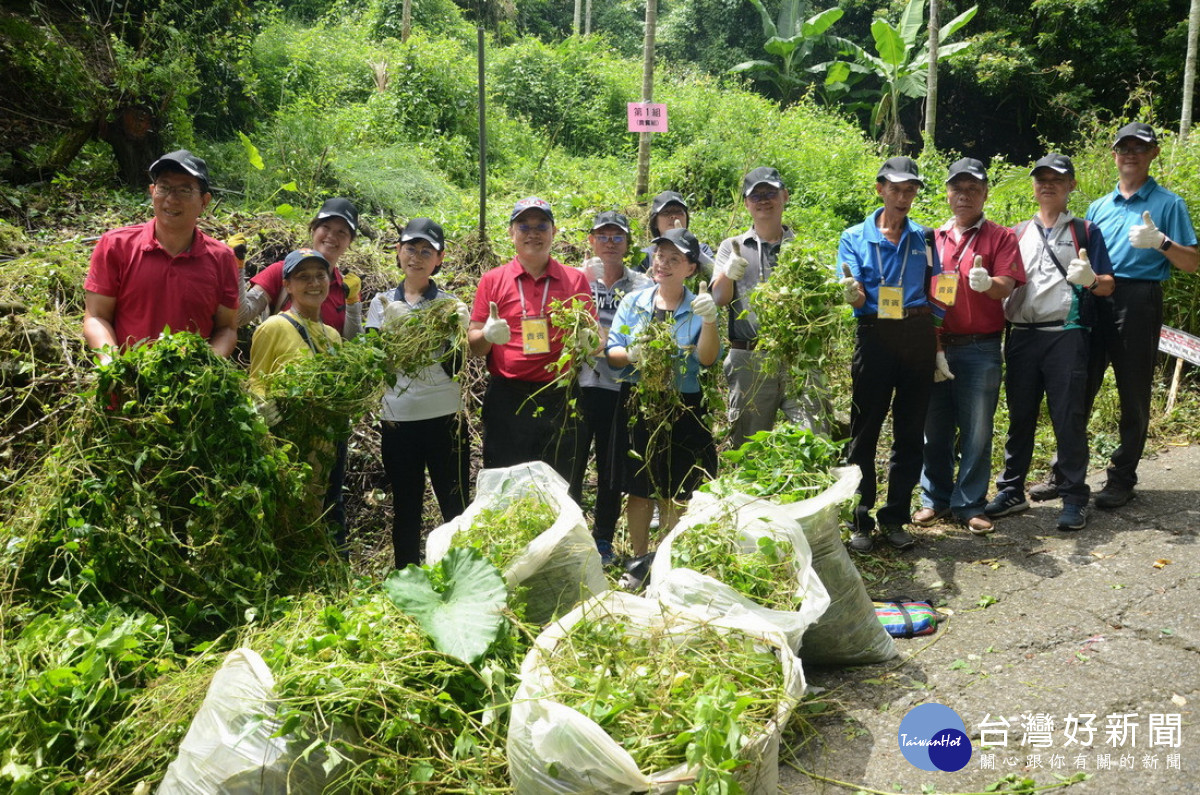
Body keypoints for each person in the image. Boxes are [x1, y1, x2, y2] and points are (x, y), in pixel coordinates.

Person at [1050, 122, 1198, 509]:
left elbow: (1193, 263)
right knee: (1080, 386)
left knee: (1133, 391)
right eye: (1123, 147)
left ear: (1153, 154)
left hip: (1138, 299)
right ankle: (1066, 471)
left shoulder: (1169, 204)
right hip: (1096, 295)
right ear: (1114, 154)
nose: (1130, 153)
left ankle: (1122, 477)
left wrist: (1162, 242)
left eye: (1139, 147)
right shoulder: (1098, 206)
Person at [987, 154, 1115, 531]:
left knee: (1068, 417)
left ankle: (1075, 495)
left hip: (1066, 336)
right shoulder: (1015, 233)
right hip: (1022, 336)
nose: (1047, 185)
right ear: (1033, 186)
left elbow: (1108, 285)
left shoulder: (1085, 230)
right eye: (1041, 179)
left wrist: (1091, 278)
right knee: (1019, 416)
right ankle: (1011, 490)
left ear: (1071, 185)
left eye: (1056, 179)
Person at [838, 156, 943, 552]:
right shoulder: (854, 235)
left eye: (910, 189)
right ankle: (861, 518)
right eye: (896, 189)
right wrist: (853, 295)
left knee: (911, 432)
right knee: (864, 432)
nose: (903, 197)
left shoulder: (924, 238)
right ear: (880, 188)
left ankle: (895, 516)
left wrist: (937, 343)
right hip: (875, 333)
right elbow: (852, 286)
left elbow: (939, 289)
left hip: (916, 332)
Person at [915, 158, 1023, 536]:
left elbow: (1007, 285)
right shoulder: (929, 238)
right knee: (935, 427)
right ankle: (935, 499)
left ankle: (970, 503)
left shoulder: (1001, 236)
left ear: (985, 194)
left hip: (981, 347)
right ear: (947, 193)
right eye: (957, 188)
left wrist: (987, 283)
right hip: (936, 344)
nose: (964, 196)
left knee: (977, 428)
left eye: (973, 189)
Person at [605, 228, 720, 557]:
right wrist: (632, 354)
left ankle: (668, 560)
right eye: (659, 256)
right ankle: (640, 559)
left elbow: (707, 359)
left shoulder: (699, 306)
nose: (663, 264)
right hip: (638, 402)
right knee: (639, 489)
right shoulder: (634, 301)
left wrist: (709, 321)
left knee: (677, 488)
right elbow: (612, 354)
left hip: (684, 405)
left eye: (675, 259)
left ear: (691, 268)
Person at [365, 219, 471, 569]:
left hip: (445, 420)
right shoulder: (381, 305)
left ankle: (460, 572)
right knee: (405, 507)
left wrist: (453, 332)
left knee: (455, 505)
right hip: (398, 422)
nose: (417, 257)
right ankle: (406, 575)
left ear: (439, 259)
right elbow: (374, 364)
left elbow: (455, 367)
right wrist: (391, 338)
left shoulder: (449, 304)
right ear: (398, 251)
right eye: (411, 248)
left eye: (427, 251)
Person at [468, 197, 597, 481]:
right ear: (511, 233)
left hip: (560, 396)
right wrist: (487, 336)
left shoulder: (575, 280)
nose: (533, 233)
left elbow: (595, 338)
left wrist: (589, 340)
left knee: (561, 486)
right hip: (507, 400)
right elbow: (475, 345)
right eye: (524, 226)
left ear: (553, 232)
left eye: (541, 226)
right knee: (505, 488)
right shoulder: (492, 280)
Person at [712, 166, 828, 448]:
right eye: (756, 195)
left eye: (770, 193)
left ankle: (807, 490)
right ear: (747, 204)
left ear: (784, 196)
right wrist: (729, 273)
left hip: (796, 359)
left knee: (814, 439)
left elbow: (819, 307)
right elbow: (719, 298)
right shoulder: (732, 246)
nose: (764, 200)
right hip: (748, 358)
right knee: (747, 446)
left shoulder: (801, 249)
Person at [83, 150, 239, 359]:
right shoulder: (116, 245)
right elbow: (96, 316)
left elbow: (226, 327)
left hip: (189, 387)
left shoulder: (222, 258)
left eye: (184, 190)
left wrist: (207, 369)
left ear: (204, 201)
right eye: (164, 188)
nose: (171, 200)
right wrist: (113, 365)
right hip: (126, 383)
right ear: (152, 192)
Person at [573, 211, 652, 565]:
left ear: (627, 244)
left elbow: (644, 331)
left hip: (621, 388)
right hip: (577, 385)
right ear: (591, 241)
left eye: (617, 237)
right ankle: (570, 538)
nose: (609, 243)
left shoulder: (642, 286)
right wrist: (583, 285)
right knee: (571, 464)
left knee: (611, 467)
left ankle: (603, 538)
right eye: (602, 236)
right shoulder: (574, 279)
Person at [248, 248, 344, 538]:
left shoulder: (332, 336)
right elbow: (256, 380)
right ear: (287, 285)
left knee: (313, 519)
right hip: (287, 446)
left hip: (323, 446)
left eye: (320, 275)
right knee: (284, 521)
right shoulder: (274, 326)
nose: (314, 283)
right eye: (303, 277)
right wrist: (260, 408)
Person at [239, 198, 364, 339]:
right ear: (313, 230)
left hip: (328, 360)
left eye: (341, 232)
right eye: (326, 227)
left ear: (350, 241)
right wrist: (236, 266)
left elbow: (353, 344)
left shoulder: (348, 287)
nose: (331, 236)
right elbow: (240, 316)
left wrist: (353, 303)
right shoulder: (281, 272)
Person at [637, 190, 714, 274]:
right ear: (655, 222)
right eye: (666, 212)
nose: (674, 216)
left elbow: (716, 275)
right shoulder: (644, 256)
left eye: (679, 212)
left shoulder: (703, 249)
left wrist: (694, 250)